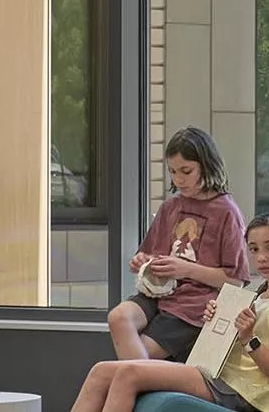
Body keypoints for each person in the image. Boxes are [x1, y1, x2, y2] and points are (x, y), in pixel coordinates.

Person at [70, 213, 269, 412]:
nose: (262, 258)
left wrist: (249, 340)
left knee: (129, 373)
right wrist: (216, 322)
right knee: (101, 371)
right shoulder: (258, 295)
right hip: (216, 373)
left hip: (242, 391)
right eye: (254, 249)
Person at [110, 127, 249, 362]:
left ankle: (135, 385)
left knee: (142, 355)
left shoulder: (227, 212)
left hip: (193, 306)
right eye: (172, 172)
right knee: (118, 317)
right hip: (157, 294)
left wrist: (185, 269)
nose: (178, 179)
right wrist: (142, 262)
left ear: (207, 165)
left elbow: (235, 280)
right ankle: (135, 382)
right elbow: (148, 255)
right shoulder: (170, 207)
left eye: (186, 171)